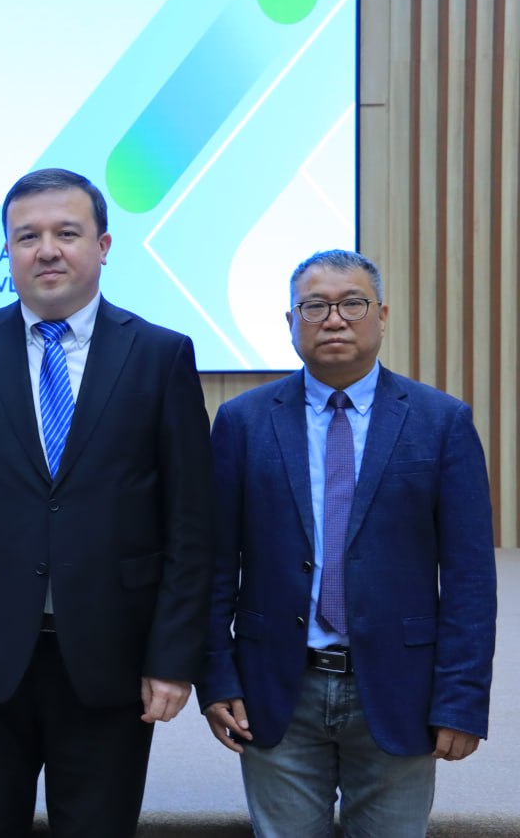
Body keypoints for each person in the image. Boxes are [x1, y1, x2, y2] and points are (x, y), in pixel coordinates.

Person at [0, 168, 214, 837]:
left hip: (112, 655)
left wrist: (172, 657)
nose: (46, 250)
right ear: (8, 251)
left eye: (66, 233)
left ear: (103, 245)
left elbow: (189, 524)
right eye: (27, 236)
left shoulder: (160, 355)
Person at [199, 249, 497, 836]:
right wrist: (216, 676)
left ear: (381, 316)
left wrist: (461, 697)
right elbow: (213, 564)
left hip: (400, 686)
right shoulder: (243, 422)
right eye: (314, 306)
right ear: (290, 322)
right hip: (275, 685)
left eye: (352, 304)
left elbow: (470, 577)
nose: (334, 319)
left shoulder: (441, 422)